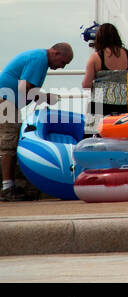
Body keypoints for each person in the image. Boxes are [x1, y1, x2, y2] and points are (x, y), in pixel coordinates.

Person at [1, 43, 75, 202]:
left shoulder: (38, 57)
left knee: (9, 142)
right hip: (5, 102)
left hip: (8, 101)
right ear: (55, 53)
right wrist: (46, 98)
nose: (62, 67)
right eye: (63, 62)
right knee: (9, 144)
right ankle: (7, 188)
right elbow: (24, 89)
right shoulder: (39, 59)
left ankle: (8, 186)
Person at [80, 23, 128, 116]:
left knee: (95, 129)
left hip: (100, 105)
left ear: (99, 38)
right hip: (125, 106)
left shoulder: (95, 58)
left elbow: (86, 85)